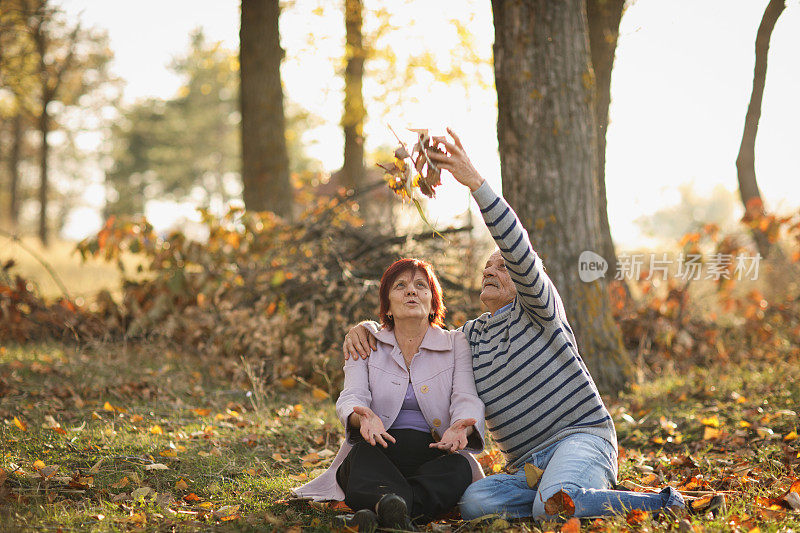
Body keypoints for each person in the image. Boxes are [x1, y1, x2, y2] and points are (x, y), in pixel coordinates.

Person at [343, 129, 692, 521]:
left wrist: (475, 183)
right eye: (486, 266)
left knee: (551, 505)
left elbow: (518, 248)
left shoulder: (538, 309)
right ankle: (565, 496)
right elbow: (416, 333)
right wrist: (366, 328)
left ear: (525, 276)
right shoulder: (467, 338)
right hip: (525, 467)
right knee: (475, 504)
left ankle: (663, 502)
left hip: (580, 438)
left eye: (502, 266)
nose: (491, 270)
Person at [293, 258, 486, 531]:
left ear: (433, 302)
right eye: (400, 286)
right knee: (357, 459)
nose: (411, 291)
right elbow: (352, 395)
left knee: (459, 469)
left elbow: (466, 396)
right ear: (388, 306)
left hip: (435, 453)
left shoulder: (455, 344)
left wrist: (460, 426)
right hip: (379, 450)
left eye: (421, 285)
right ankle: (399, 515)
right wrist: (364, 418)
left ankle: (382, 512)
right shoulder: (367, 341)